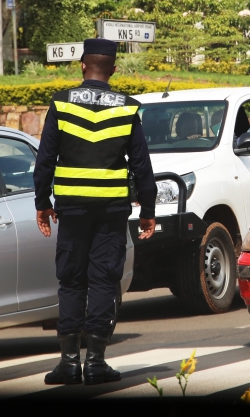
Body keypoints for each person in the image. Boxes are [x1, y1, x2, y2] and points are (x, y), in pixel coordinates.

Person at [34, 38, 157, 386]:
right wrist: (148, 208)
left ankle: (69, 362)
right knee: (104, 280)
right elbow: (142, 165)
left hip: (71, 208)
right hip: (111, 209)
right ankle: (97, 362)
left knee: (71, 280)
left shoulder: (62, 103)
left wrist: (42, 203)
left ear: (83, 66)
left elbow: (45, 160)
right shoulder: (127, 107)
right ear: (113, 69)